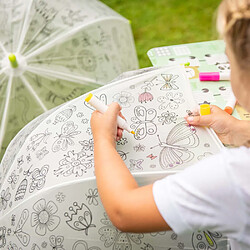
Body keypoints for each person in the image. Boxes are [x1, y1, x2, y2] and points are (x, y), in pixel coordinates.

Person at [90, 0, 250, 249]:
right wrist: (238, 130)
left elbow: (124, 211)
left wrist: (102, 139)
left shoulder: (234, 178)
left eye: (229, 62)